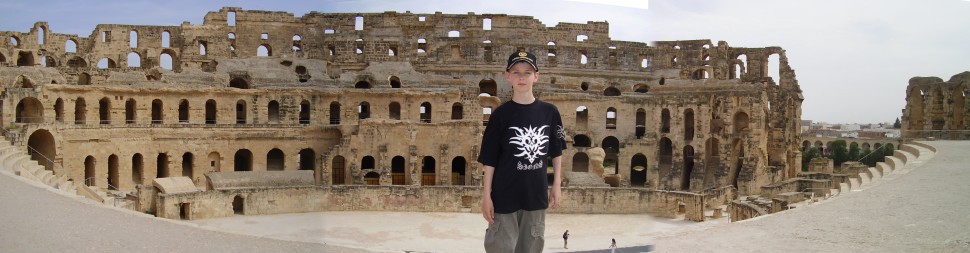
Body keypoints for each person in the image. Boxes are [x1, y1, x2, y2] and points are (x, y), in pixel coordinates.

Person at [480, 51, 566, 253]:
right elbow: (490, 160)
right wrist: (486, 195)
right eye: (516, 72)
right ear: (507, 75)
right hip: (504, 196)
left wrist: (556, 184)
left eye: (527, 72)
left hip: (535, 197)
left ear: (536, 76)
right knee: (500, 248)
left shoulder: (550, 112)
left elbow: (557, 151)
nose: (521, 77)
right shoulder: (500, 115)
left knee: (531, 249)